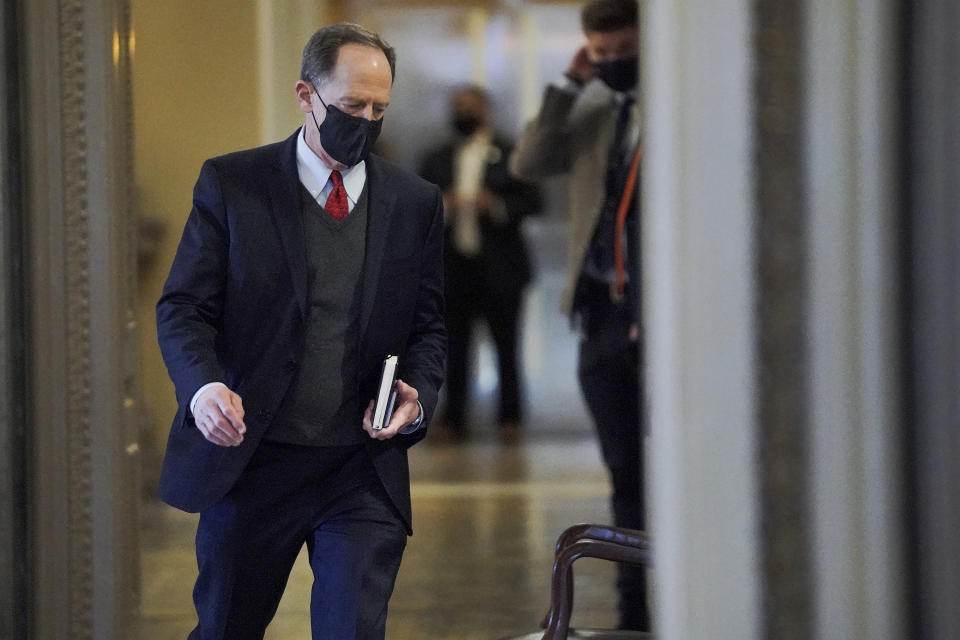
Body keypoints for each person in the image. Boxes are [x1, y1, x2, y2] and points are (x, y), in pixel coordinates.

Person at [155, 23, 446, 640]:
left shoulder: (413, 201)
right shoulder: (235, 185)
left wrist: (417, 392)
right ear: (305, 95)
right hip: (253, 462)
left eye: (379, 109)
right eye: (350, 106)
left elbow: (428, 326)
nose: (365, 121)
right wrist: (203, 389)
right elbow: (184, 307)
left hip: (360, 470)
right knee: (227, 628)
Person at [509, 0, 648, 631]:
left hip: (661, 315)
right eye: (604, 54)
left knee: (668, 470)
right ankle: (635, 614)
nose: (616, 64)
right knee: (623, 471)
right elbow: (528, 163)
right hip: (601, 314)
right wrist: (569, 85)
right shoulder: (593, 109)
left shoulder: (676, 103)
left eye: (626, 52)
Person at [418, 85, 542, 443]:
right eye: (458, 108)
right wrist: (445, 204)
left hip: (502, 270)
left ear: (486, 111)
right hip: (453, 269)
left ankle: (510, 418)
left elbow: (533, 201)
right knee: (454, 349)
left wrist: (497, 205)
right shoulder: (436, 157)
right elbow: (415, 206)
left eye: (470, 108)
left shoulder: (511, 152)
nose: (463, 114)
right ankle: (453, 419)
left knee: (507, 347)